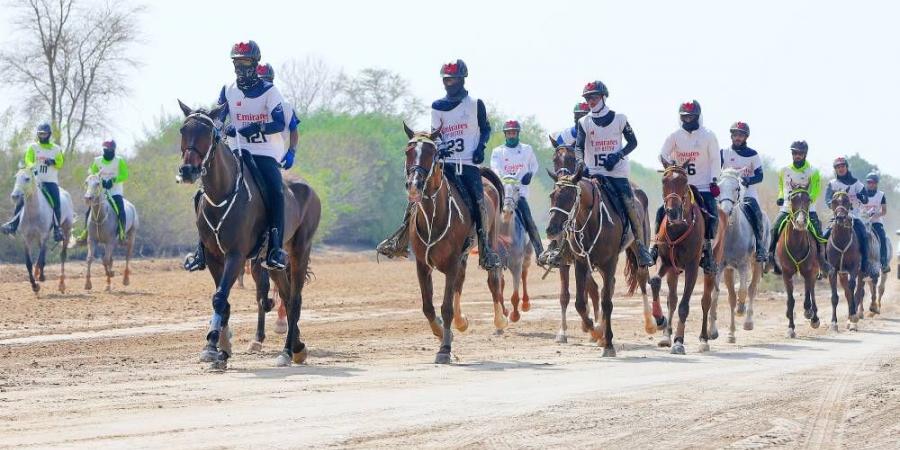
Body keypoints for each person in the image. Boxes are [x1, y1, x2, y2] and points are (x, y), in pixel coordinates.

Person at [376, 59, 501, 270]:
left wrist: (480, 147)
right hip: (444, 163)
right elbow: (436, 133)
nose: (448, 82)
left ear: (462, 79)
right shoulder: (437, 106)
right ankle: (401, 237)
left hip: (468, 164)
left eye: (452, 78)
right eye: (446, 79)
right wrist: (438, 148)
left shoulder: (475, 104)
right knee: (417, 192)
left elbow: (486, 128)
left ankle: (485, 250)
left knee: (479, 201)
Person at [183, 40, 290, 272]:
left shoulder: (270, 91)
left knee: (276, 191)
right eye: (237, 63)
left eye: (245, 62)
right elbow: (219, 117)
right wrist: (222, 128)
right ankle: (201, 250)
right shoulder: (228, 89)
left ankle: (275, 248)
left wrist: (257, 127)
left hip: (263, 152)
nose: (241, 68)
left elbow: (280, 122)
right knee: (201, 192)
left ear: (255, 63)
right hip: (235, 150)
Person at [574, 80, 654, 267]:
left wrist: (618, 155)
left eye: (593, 97)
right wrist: (579, 161)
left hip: (617, 174)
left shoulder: (620, 118)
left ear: (603, 97)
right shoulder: (583, 122)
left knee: (629, 204)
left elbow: (633, 142)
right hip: (593, 173)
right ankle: (564, 245)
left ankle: (641, 248)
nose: (590, 101)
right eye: (588, 98)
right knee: (572, 199)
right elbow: (578, 146)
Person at [656, 100, 722, 273]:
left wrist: (714, 180)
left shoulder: (708, 135)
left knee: (713, 215)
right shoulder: (674, 135)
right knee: (659, 211)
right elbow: (662, 153)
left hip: (702, 186)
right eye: (684, 117)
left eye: (691, 116)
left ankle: (707, 251)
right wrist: (671, 166)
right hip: (679, 186)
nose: (687, 119)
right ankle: (655, 246)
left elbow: (716, 159)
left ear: (698, 117)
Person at [766, 141, 829, 275]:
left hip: (807, 208)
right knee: (774, 228)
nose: (797, 156)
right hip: (788, 207)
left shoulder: (813, 171)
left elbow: (816, 189)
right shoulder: (784, 170)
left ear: (805, 154)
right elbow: (782, 187)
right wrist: (781, 196)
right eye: (794, 153)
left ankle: (822, 261)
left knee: (818, 233)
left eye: (800, 153)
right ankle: (770, 258)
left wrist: (809, 198)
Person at [1, 122, 65, 241]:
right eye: (40, 134)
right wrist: (32, 165)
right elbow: (28, 160)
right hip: (35, 181)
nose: (42, 136)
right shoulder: (33, 147)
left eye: (44, 134)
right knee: (21, 199)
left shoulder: (56, 148)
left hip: (50, 181)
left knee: (57, 202)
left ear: (49, 134)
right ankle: (13, 225)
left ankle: (57, 229)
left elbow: (60, 162)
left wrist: (52, 162)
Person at [490, 119, 544, 258]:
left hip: (519, 194)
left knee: (529, 220)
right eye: (509, 133)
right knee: (488, 220)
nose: (511, 135)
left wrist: (529, 175)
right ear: (505, 135)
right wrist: (503, 182)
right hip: (503, 194)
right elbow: (494, 169)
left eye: (514, 132)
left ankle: (541, 253)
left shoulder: (527, 149)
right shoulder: (498, 151)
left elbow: (534, 166)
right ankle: (487, 254)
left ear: (518, 133)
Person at [720, 121, 767, 261]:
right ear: (731, 136)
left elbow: (760, 175)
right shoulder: (724, 153)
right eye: (735, 134)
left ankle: (760, 247)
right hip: (727, 192)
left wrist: (748, 181)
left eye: (741, 135)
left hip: (747, 193)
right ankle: (707, 246)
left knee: (757, 213)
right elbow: (715, 172)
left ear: (746, 137)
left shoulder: (753, 154)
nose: (738, 137)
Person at [823, 156, 872, 276]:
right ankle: (824, 266)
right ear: (835, 169)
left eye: (842, 166)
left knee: (864, 235)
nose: (840, 169)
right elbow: (828, 199)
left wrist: (862, 197)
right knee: (824, 236)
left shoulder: (856, 183)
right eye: (838, 167)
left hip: (853, 216)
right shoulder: (832, 184)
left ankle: (865, 264)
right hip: (837, 216)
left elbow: (865, 199)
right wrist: (833, 205)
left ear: (846, 167)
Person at [256, 63, 300, 160]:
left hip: (272, 155)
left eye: (267, 82)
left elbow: (294, 130)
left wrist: (291, 151)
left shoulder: (285, 107)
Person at [89, 140, 129, 242]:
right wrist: (100, 179)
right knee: (90, 210)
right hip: (101, 191)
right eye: (106, 149)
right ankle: (85, 233)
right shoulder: (97, 160)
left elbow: (125, 175)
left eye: (110, 149)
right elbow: (92, 172)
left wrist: (114, 180)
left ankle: (122, 233)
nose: (108, 151)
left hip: (115, 191)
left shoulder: (119, 160)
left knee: (120, 209)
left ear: (113, 150)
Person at [860, 172, 890, 273]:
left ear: (876, 184)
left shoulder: (881, 195)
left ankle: (884, 262)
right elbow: (858, 207)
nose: (871, 184)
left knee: (882, 236)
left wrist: (875, 215)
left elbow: (884, 210)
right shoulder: (861, 194)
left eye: (873, 182)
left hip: (876, 222)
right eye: (869, 182)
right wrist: (863, 215)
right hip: (863, 221)